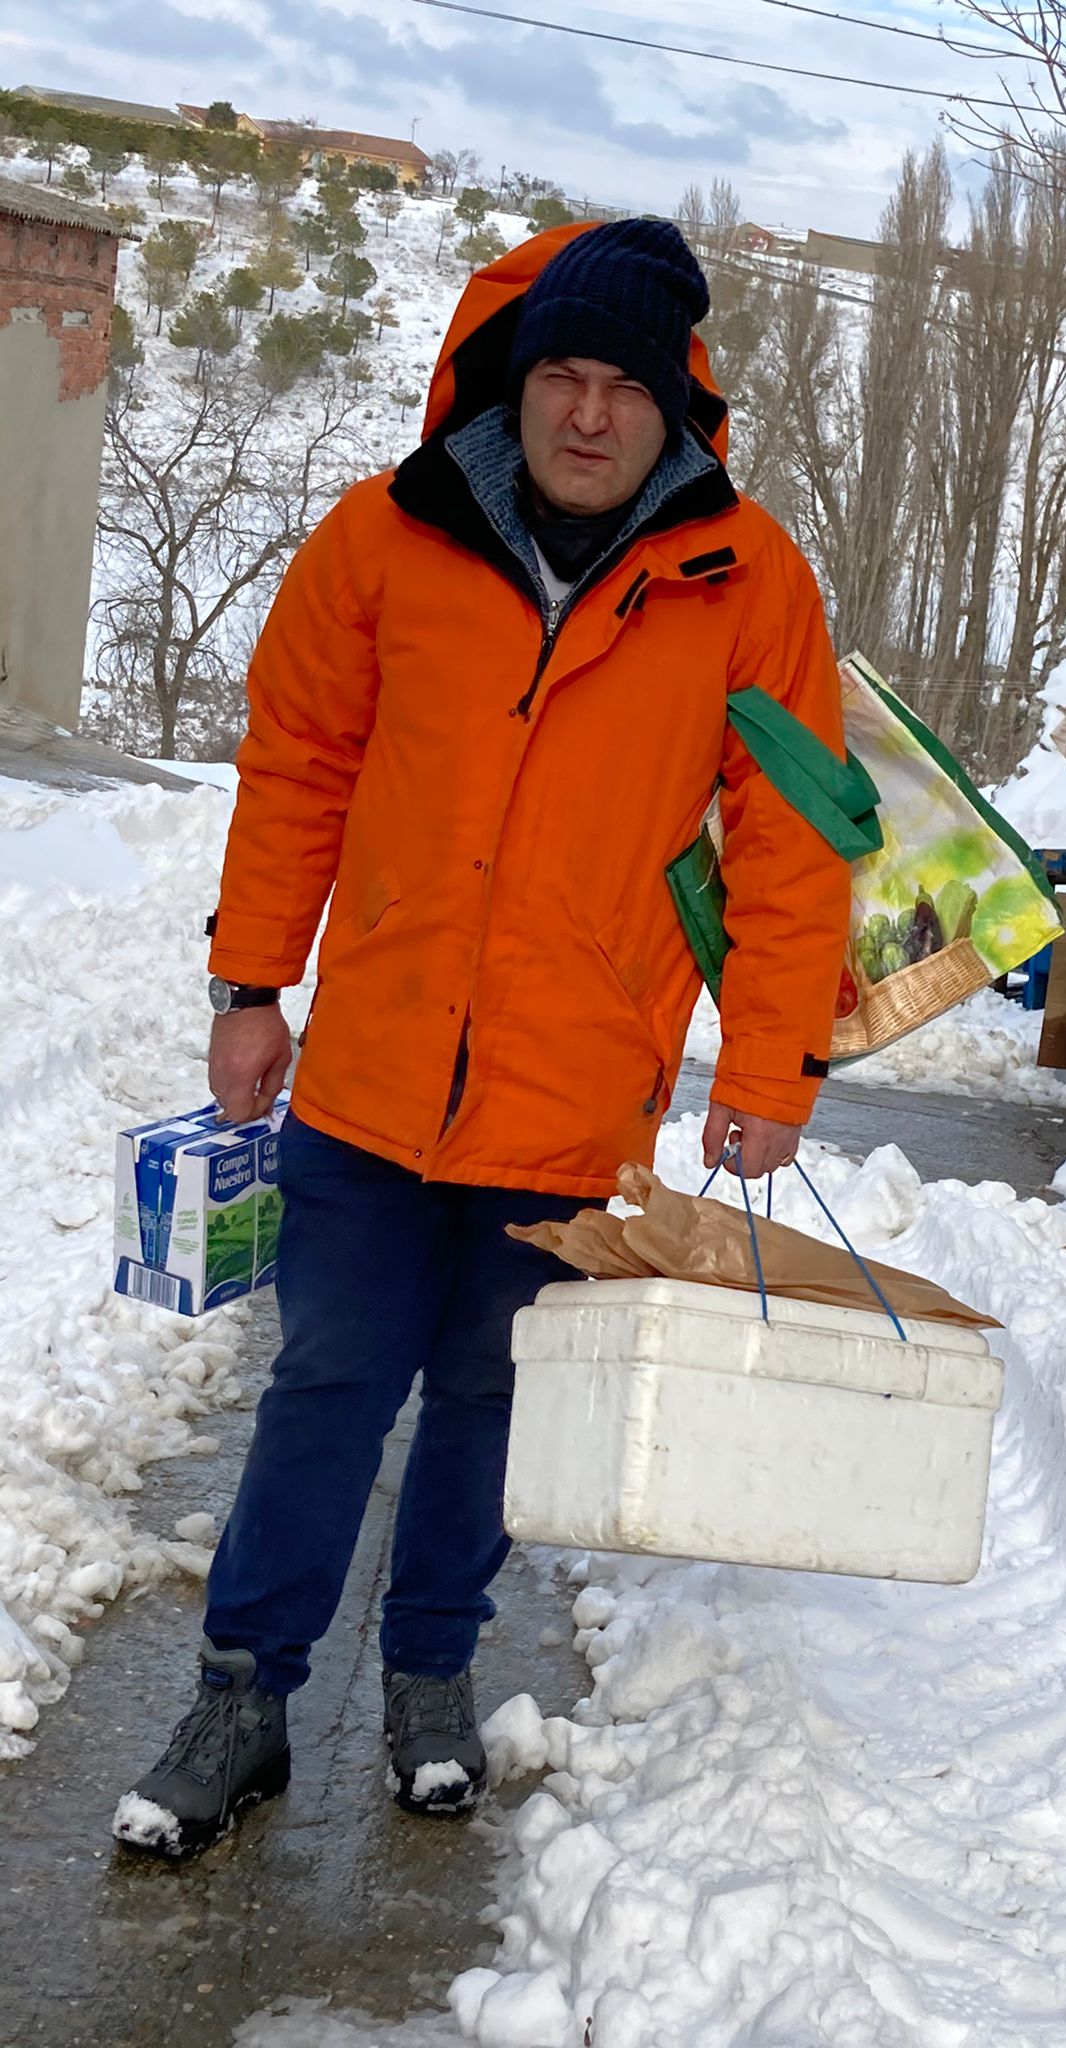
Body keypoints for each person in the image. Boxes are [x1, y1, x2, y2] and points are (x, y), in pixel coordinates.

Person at [113, 219, 850, 1859]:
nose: (589, 416)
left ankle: (432, 1671)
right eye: (562, 379)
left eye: (624, 391)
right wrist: (252, 987)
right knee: (326, 1381)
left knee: (490, 1401)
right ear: (510, 388)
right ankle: (245, 1692)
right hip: (373, 1070)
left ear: (679, 413)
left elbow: (796, 838)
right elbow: (295, 765)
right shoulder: (382, 541)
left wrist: (773, 1066)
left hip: (577, 1088)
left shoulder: (747, 579)